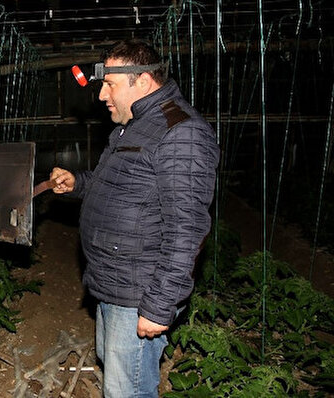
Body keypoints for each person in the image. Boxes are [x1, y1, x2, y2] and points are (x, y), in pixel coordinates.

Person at [51, 40, 220, 397]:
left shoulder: (181, 133)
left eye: (110, 85)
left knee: (127, 389)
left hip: (139, 293)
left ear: (142, 81)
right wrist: (78, 183)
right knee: (114, 370)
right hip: (114, 283)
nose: (101, 96)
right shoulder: (138, 124)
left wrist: (159, 307)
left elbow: (186, 230)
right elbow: (117, 185)